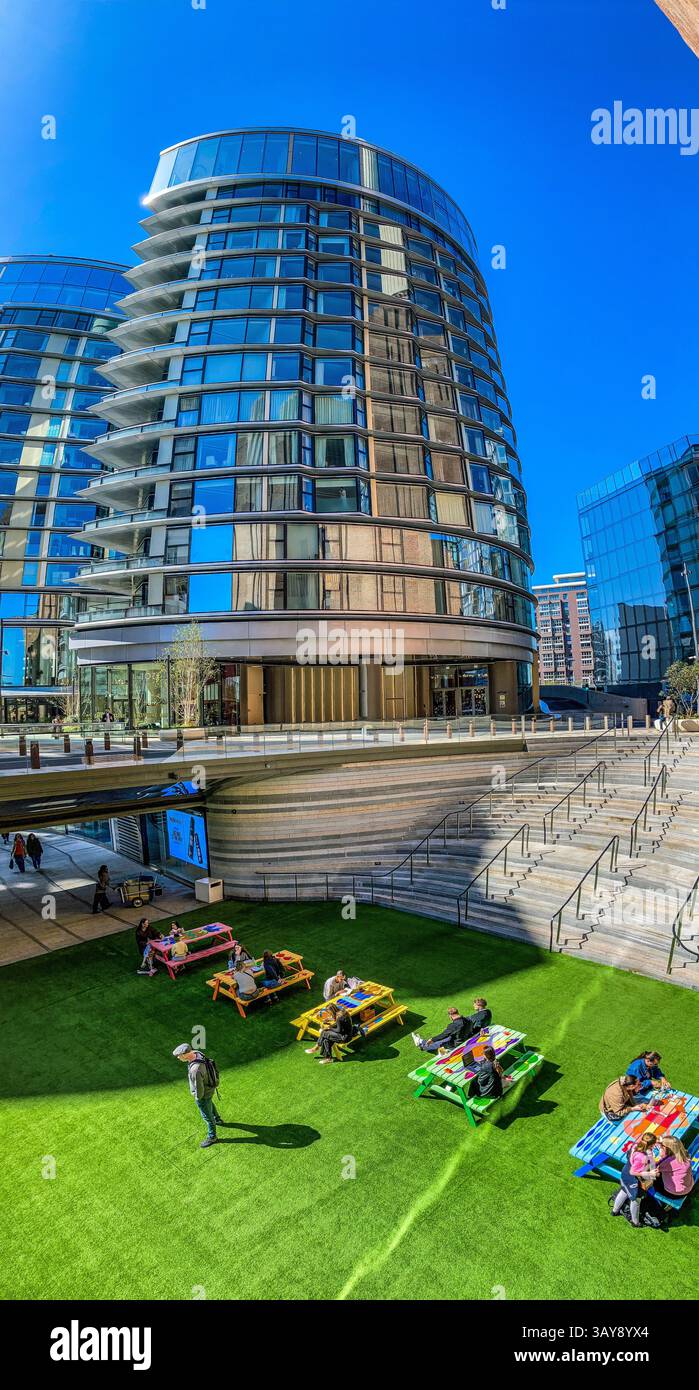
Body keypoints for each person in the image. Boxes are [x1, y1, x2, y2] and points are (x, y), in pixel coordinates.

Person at [172, 1043, 225, 1149]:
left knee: (207, 1116)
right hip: (211, 1087)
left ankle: (212, 1137)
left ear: (185, 1054)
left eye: (179, 1056)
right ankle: (218, 1119)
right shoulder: (198, 1053)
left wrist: (197, 1098)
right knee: (209, 1103)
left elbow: (199, 1088)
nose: (178, 1058)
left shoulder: (195, 1070)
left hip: (204, 1093)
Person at [610, 1134, 658, 1228]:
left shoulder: (635, 1145)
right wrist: (649, 1173)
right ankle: (635, 1222)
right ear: (651, 1145)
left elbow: (629, 1158)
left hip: (625, 1173)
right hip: (633, 1179)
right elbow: (634, 1172)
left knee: (623, 1191)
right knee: (636, 1200)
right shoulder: (643, 1157)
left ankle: (614, 1211)